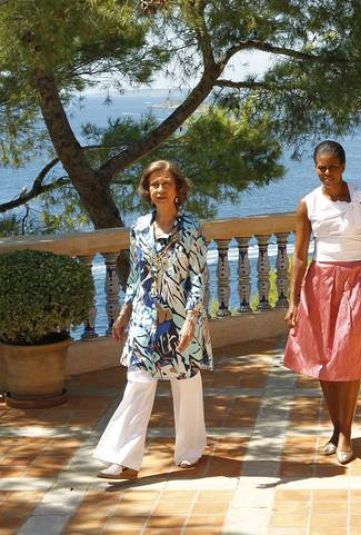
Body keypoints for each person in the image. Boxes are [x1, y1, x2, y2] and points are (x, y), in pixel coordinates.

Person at [94, 160, 213, 479]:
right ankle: (121, 457)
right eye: (154, 184)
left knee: (185, 381)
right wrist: (123, 313)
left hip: (181, 316)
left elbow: (199, 277)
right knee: (138, 381)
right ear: (147, 191)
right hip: (145, 318)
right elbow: (136, 276)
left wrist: (191, 319)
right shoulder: (139, 228)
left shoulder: (192, 228)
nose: (159, 189)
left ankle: (190, 449)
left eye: (165, 183)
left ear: (178, 190)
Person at [283, 140, 361, 465]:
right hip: (321, 282)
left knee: (349, 353)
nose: (326, 173)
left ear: (343, 167)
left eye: (332, 167)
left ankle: (346, 432)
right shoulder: (308, 204)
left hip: (357, 279)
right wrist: (292, 299)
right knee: (325, 359)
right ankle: (335, 427)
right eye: (321, 167)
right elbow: (300, 257)